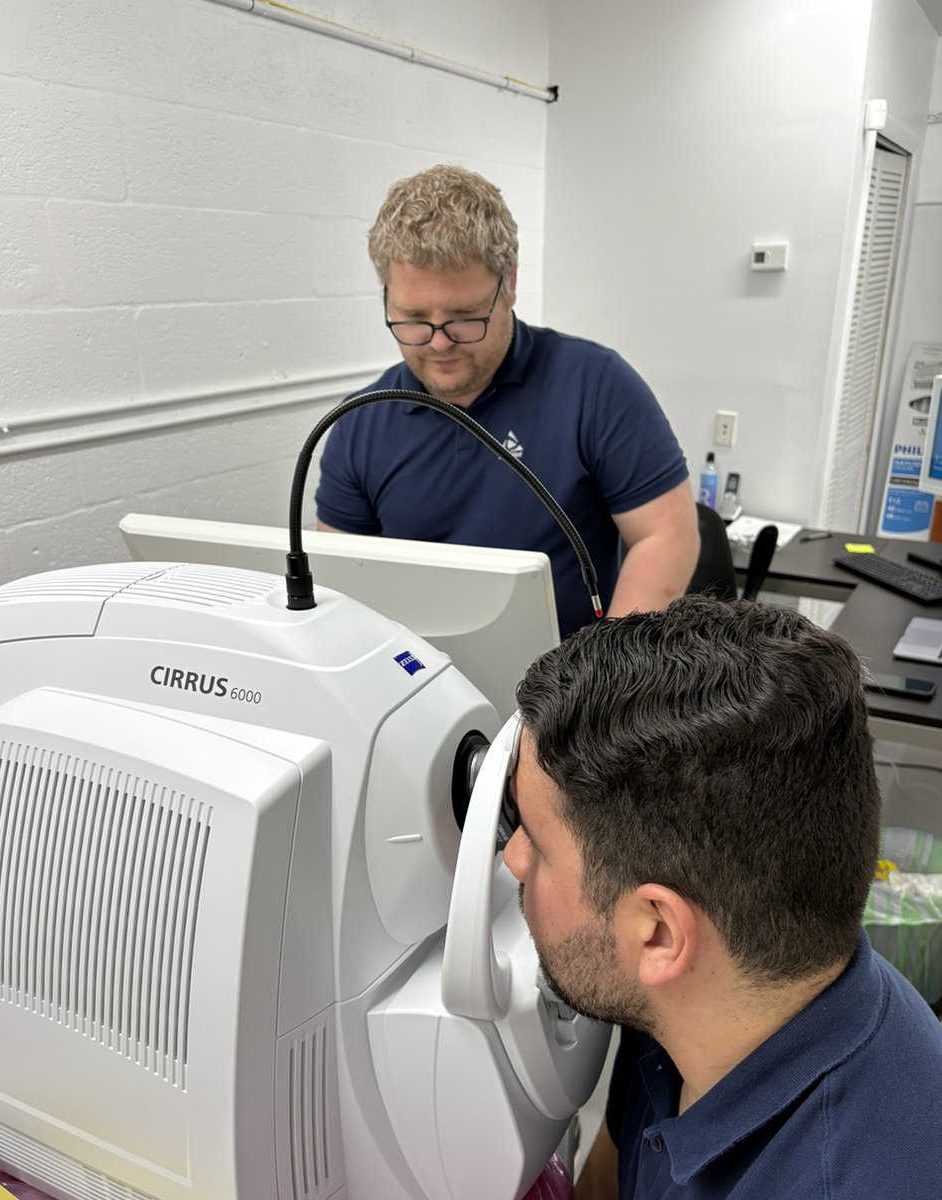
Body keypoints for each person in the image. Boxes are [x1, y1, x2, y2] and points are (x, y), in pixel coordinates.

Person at [502, 598, 942, 1199]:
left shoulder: (850, 1178)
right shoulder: (700, 1009)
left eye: (539, 842)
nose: (513, 859)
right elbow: (607, 1184)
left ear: (658, 931)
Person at [315, 164, 699, 638]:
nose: (438, 343)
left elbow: (665, 536)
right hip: (416, 678)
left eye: (465, 316)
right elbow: (339, 581)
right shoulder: (360, 422)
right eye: (413, 318)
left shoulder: (596, 384)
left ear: (510, 283)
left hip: (569, 683)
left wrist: (599, 683)